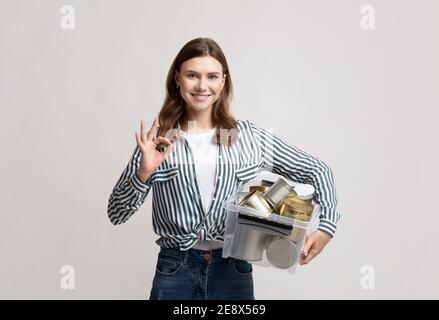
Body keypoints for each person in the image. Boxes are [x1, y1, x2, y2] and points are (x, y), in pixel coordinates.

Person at [107, 37, 340, 300]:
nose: (202, 86)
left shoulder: (248, 137)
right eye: (192, 75)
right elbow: (116, 213)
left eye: (212, 76)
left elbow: (317, 170)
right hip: (175, 272)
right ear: (177, 79)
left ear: (223, 82)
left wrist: (326, 227)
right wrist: (143, 173)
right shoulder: (160, 141)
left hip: (232, 272)